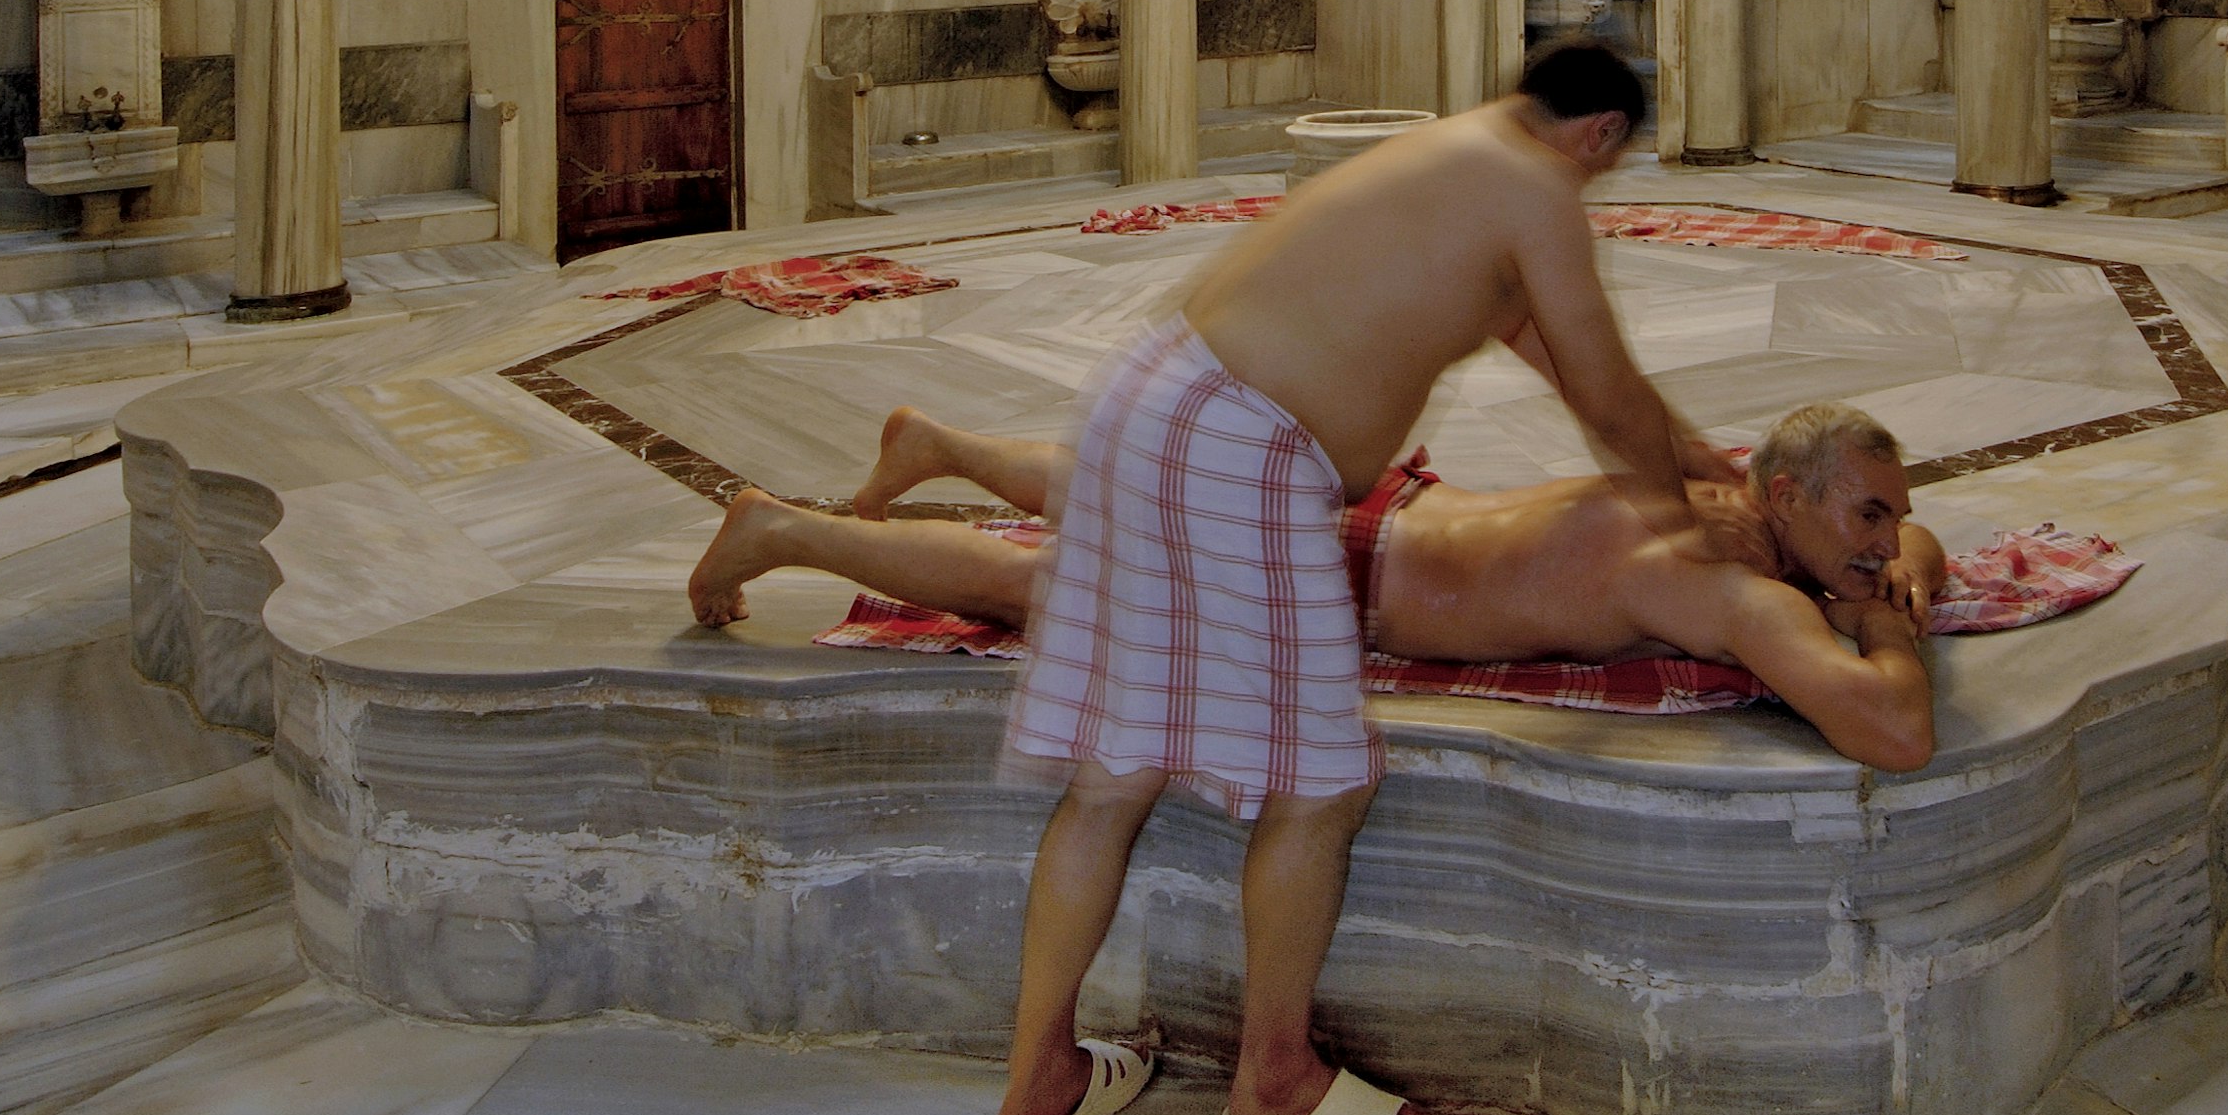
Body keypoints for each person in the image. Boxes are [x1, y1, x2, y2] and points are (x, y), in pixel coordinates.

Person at [976, 37, 1715, 1115]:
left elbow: (1582, 376)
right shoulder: (1537, 188)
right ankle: (1273, 1083)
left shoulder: (1457, 154)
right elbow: (1608, 389)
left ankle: (1039, 1083)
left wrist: (1701, 463)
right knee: (1324, 778)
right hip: (1240, 448)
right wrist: (1689, 529)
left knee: (1115, 768)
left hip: (1151, 402)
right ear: (1598, 134)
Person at [686, 395, 1942, 767]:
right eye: (1870, 515)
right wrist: (1887, 631)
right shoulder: (1739, 591)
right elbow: (1891, 729)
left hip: (1383, 503)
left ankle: (947, 445)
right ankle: (782, 531)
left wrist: (1897, 568)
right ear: (1787, 498)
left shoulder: (1727, 485)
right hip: (1344, 570)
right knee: (1047, 589)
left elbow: (1915, 541)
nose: (1888, 542)